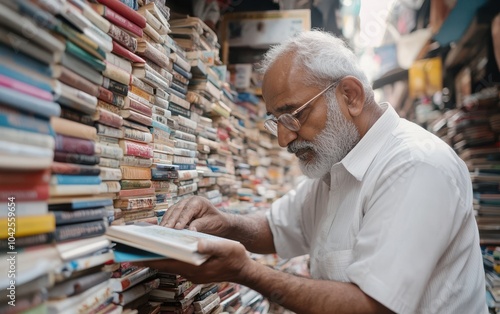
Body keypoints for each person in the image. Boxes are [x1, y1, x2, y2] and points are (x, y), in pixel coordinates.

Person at [140, 31, 487, 313]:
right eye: (276, 121)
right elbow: (277, 228)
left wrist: (246, 271)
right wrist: (224, 223)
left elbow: (373, 306)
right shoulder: (338, 162)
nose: (283, 138)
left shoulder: (414, 166)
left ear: (350, 95)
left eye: (294, 115)